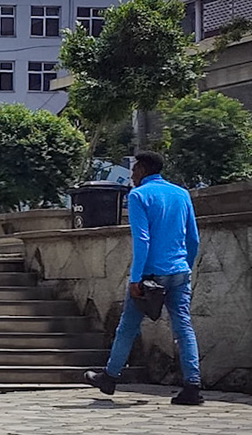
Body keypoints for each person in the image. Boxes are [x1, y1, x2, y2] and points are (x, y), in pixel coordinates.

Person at [85, 151, 204, 406]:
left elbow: (142, 240)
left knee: (128, 326)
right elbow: (193, 238)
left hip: (150, 275)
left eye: (136, 168)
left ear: (146, 169)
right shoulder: (182, 194)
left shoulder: (139, 196)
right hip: (180, 272)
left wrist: (136, 278)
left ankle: (110, 377)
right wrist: (186, 265)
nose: (132, 173)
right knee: (184, 328)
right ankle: (192, 385)